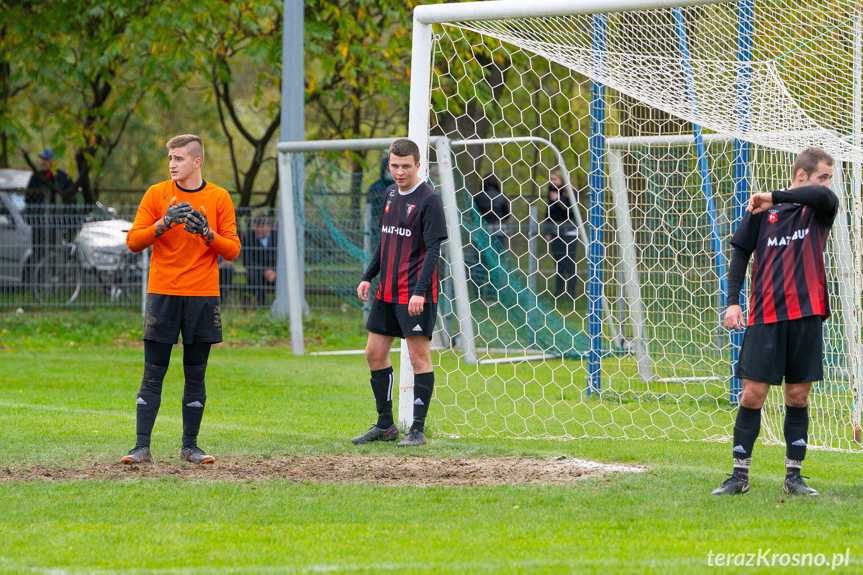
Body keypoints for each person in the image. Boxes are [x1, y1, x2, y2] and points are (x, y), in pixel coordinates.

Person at [712, 147, 837, 496]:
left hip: (807, 314)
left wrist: (773, 195)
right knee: (752, 395)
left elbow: (822, 196)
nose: (828, 184)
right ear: (801, 173)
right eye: (822, 175)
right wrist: (733, 302)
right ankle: (739, 477)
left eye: (829, 178)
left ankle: (794, 477)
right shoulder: (762, 212)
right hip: (766, 314)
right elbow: (740, 252)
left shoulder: (820, 209)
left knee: (797, 396)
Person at [122, 134, 241, 465]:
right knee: (153, 372)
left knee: (195, 374)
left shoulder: (218, 197)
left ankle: (190, 446)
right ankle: (140, 447)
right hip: (163, 294)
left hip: (202, 297)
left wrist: (207, 233)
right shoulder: (157, 194)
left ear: (197, 162)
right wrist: (163, 224)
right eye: (170, 159)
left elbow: (232, 249)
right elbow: (133, 241)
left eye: (179, 158)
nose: (172, 164)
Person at [352, 138, 448, 447]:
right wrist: (369, 276)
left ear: (418, 166)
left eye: (406, 166)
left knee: (419, 358)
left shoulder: (429, 200)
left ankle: (417, 430)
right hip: (387, 292)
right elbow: (385, 240)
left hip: (415, 295)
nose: (399, 171)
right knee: (374, 353)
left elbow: (433, 251)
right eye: (394, 165)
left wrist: (420, 292)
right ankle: (385, 425)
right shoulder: (391, 193)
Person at [25, 148, 74, 258]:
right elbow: (28, 199)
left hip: (57, 225)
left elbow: (71, 201)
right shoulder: (36, 177)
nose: (43, 162)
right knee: (38, 253)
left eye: (46, 159)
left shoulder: (64, 178)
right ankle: (39, 274)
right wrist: (32, 218)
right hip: (40, 224)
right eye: (42, 159)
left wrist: (66, 221)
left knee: (55, 254)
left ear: (53, 161)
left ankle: (54, 274)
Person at [543, 167, 579, 299]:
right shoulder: (550, 192)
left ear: (562, 180)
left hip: (569, 233)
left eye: (555, 179)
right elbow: (548, 213)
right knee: (558, 263)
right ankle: (559, 292)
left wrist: (558, 200)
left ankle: (571, 293)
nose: (552, 181)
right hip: (555, 232)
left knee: (569, 263)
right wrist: (546, 232)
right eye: (551, 179)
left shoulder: (571, 192)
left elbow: (572, 213)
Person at [241, 214, 277, 305]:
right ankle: (261, 303)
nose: (259, 229)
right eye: (257, 226)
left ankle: (279, 302)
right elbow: (246, 261)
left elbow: (281, 258)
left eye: (262, 226)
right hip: (258, 272)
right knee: (253, 275)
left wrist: (274, 270)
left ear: (269, 227)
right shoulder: (248, 239)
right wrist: (264, 271)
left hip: (275, 272)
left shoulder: (278, 238)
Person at [473, 174, 510, 248]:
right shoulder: (502, 197)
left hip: (482, 229)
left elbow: (473, 215)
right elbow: (507, 215)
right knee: (498, 254)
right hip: (498, 229)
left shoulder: (477, 197)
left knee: (482, 255)